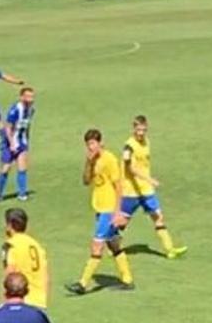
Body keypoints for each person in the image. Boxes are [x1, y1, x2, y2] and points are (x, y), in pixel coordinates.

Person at [66, 129, 134, 295]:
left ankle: (82, 283)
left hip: (109, 210)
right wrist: (88, 163)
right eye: (88, 144)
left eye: (93, 143)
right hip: (99, 207)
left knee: (96, 246)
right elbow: (85, 180)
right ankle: (127, 279)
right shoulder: (92, 160)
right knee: (113, 244)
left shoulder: (109, 159)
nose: (91, 147)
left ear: (100, 143)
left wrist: (118, 211)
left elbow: (119, 186)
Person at [119, 115, 188, 259]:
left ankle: (170, 250)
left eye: (144, 130)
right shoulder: (129, 146)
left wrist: (148, 182)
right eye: (138, 130)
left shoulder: (146, 142)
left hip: (146, 190)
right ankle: (110, 244)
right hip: (131, 191)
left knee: (158, 217)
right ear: (133, 129)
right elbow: (130, 168)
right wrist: (150, 179)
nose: (141, 133)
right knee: (121, 223)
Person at [1, 208, 49, 310]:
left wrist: (4, 305)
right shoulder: (36, 245)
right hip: (40, 302)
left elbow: (9, 275)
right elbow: (45, 274)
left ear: (9, 225)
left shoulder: (10, 245)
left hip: (21, 302)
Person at [0, 87, 35, 202]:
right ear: (21, 97)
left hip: (21, 142)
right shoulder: (15, 109)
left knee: (22, 168)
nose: (31, 99)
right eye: (28, 96)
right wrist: (11, 143)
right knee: (5, 169)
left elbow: (27, 126)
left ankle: (22, 194)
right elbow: (8, 127)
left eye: (32, 97)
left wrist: (26, 140)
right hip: (10, 143)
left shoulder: (31, 110)